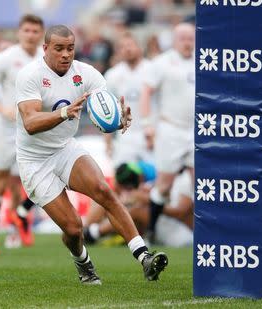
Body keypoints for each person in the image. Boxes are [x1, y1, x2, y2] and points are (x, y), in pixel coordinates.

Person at [15, 24, 168, 284]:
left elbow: (104, 112)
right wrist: (64, 112)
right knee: (74, 229)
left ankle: (144, 257)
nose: (66, 54)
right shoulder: (30, 75)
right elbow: (30, 123)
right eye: (59, 49)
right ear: (45, 49)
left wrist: (118, 121)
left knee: (104, 190)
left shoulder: (87, 74)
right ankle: (83, 263)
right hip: (34, 159)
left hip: (65, 147)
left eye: (70, 48)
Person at [0, 14, 44, 255]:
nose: (31, 35)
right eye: (27, 30)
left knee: (48, 175)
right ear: (19, 32)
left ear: (41, 34)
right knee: (0, 182)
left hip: (34, 128)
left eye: (35, 31)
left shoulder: (47, 60)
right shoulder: (6, 58)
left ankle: (22, 214)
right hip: (6, 129)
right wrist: (2, 108)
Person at [139, 22, 195, 243]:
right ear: (174, 40)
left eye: (191, 38)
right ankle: (151, 230)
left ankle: (207, 235)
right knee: (164, 185)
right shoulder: (162, 63)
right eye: (183, 38)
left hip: (197, 130)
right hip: (171, 129)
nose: (188, 42)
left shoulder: (203, 61)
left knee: (200, 184)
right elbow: (146, 91)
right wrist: (147, 124)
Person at [84, 162, 193, 247]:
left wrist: (149, 200)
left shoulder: (185, 180)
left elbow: (180, 212)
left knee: (136, 210)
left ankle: (94, 233)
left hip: (181, 234)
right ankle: (88, 230)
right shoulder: (171, 178)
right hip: (167, 227)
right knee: (108, 199)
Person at [104, 32, 154, 167]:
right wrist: (108, 142)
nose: (127, 49)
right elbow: (108, 110)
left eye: (130, 45)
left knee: (154, 180)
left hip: (150, 134)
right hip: (125, 135)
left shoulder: (153, 69)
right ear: (118, 51)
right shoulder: (112, 75)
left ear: (139, 47)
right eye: (122, 47)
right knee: (124, 179)